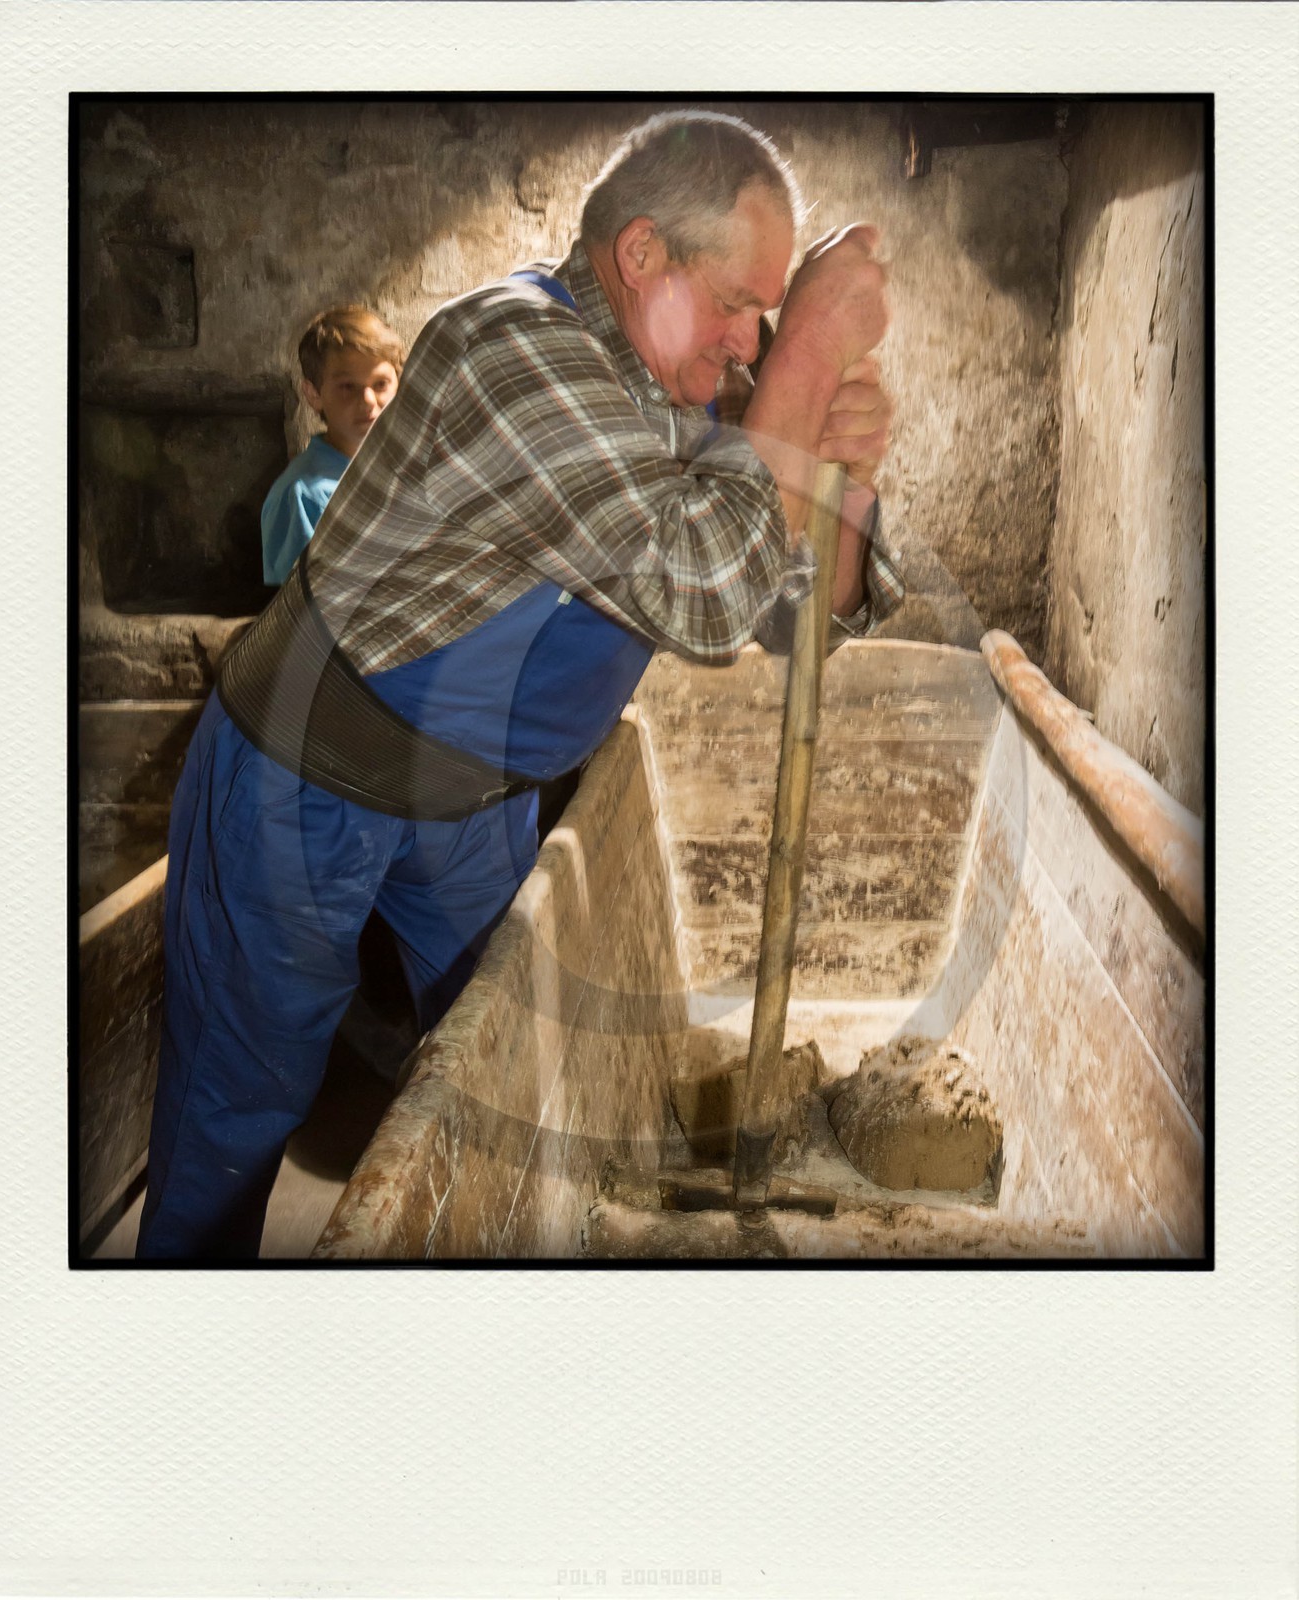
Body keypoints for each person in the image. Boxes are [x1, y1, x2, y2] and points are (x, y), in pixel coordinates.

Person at [136, 110, 904, 1260]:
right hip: (304, 771)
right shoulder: (512, 354)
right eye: (740, 304)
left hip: (472, 799)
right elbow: (707, 594)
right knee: (237, 1112)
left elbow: (799, 617)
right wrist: (802, 367)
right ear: (641, 254)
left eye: (767, 318)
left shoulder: (683, 396)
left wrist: (838, 471)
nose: (751, 340)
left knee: (509, 1072)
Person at [259, 304, 403, 586]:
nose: (369, 402)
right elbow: (296, 605)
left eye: (380, 384)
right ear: (313, 394)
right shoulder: (301, 495)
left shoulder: (409, 471)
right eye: (348, 387)